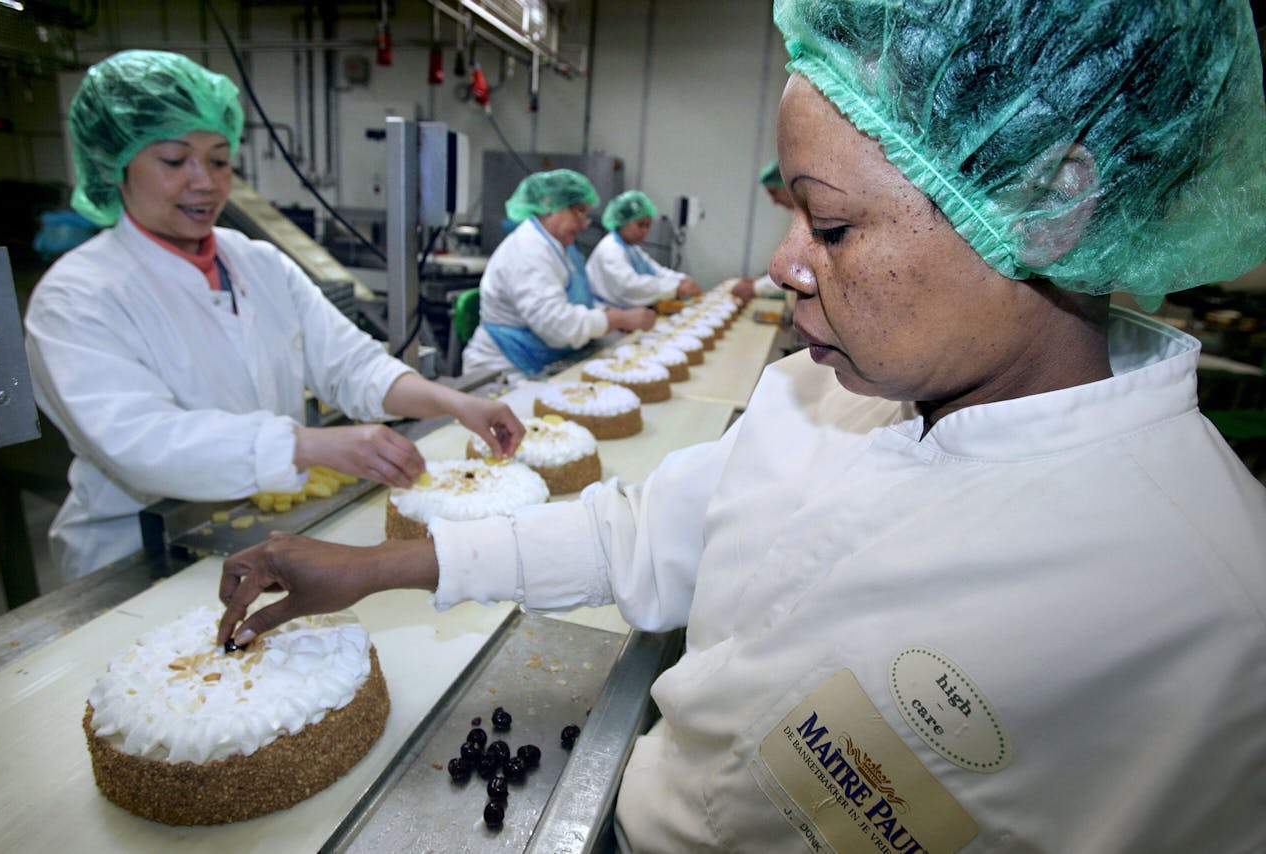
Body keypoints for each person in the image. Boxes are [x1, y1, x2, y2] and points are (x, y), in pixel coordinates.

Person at [219, 0, 1266, 850]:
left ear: (1049, 198)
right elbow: (639, 533)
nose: (781, 263)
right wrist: (371, 568)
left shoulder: (1210, 618)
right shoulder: (823, 389)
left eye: (832, 223)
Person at [24, 50, 523, 581]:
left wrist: (453, 402)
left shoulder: (253, 260)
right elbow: (139, 442)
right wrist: (309, 445)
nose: (206, 182)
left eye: (218, 159)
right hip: (134, 556)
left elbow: (348, 362)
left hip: (256, 528)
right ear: (114, 167)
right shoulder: (78, 295)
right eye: (174, 161)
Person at [460, 170, 656, 376]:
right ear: (549, 205)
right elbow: (557, 326)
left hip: (542, 359)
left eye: (586, 215)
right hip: (504, 368)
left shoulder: (562, 247)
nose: (584, 224)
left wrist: (606, 314)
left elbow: (575, 302)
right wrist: (618, 320)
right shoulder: (528, 251)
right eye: (579, 212)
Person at [585, 190, 702, 307]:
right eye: (640, 225)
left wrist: (682, 279)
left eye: (648, 225)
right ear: (622, 221)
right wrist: (674, 287)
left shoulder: (632, 248)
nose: (645, 231)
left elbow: (655, 270)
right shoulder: (610, 250)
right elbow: (630, 287)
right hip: (607, 313)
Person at [733, 158, 794, 301]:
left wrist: (756, 288)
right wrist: (759, 282)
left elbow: (798, 272)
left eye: (774, 192)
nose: (774, 201)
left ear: (786, 185)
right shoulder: (798, 217)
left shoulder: (813, 219)